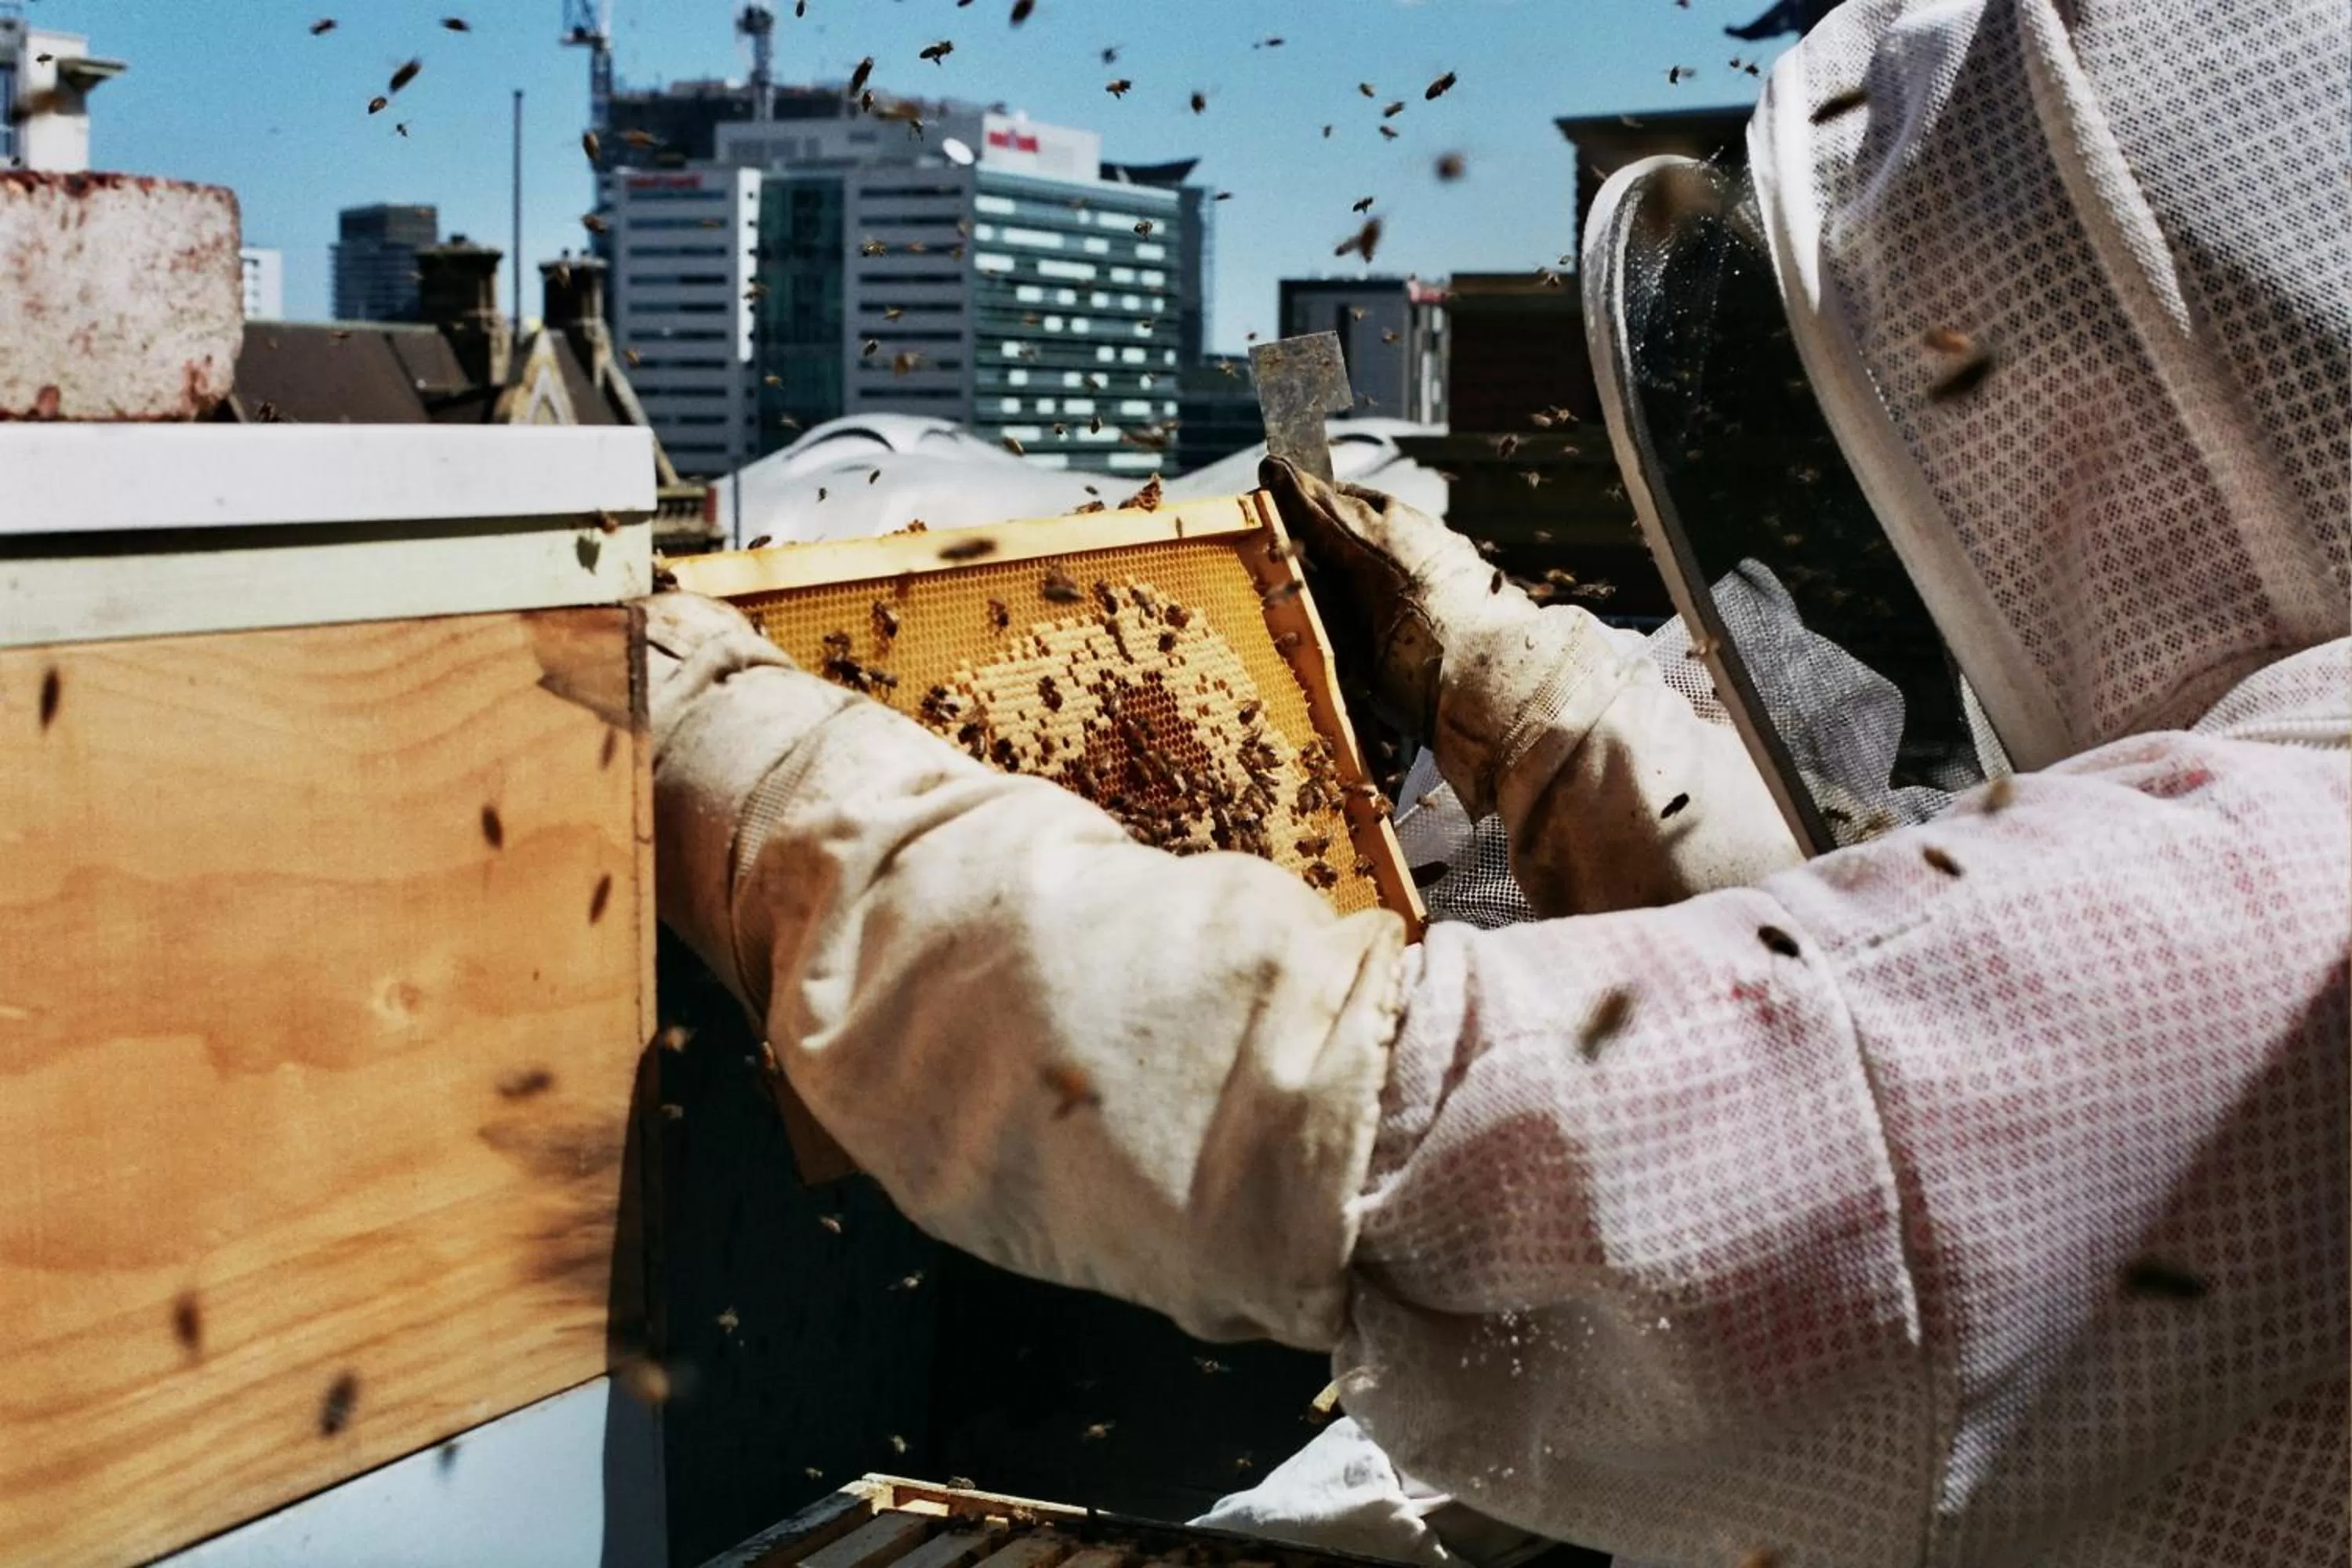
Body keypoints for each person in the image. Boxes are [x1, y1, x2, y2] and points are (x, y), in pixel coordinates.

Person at [644, 0, 2349, 1560]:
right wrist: (1526, 700)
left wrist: (749, 770)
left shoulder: (2288, 921)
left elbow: (1417, 1123)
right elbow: (1872, 953)